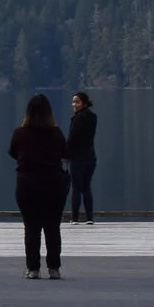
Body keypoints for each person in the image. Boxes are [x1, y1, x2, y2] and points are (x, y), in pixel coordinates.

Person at [8, 93, 69, 280]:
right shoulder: (56, 133)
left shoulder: (20, 133)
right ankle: (54, 269)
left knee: (31, 227)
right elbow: (65, 153)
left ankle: (33, 269)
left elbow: (12, 152)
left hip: (27, 185)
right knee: (52, 227)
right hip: (53, 184)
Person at [66, 91, 98, 225]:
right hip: (90, 156)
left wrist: (66, 154)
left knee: (76, 188)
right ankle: (89, 217)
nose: (74, 104)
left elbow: (72, 138)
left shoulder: (78, 118)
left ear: (83, 103)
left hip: (77, 156)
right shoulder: (93, 117)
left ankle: (74, 218)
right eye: (73, 102)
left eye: (77, 102)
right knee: (86, 187)